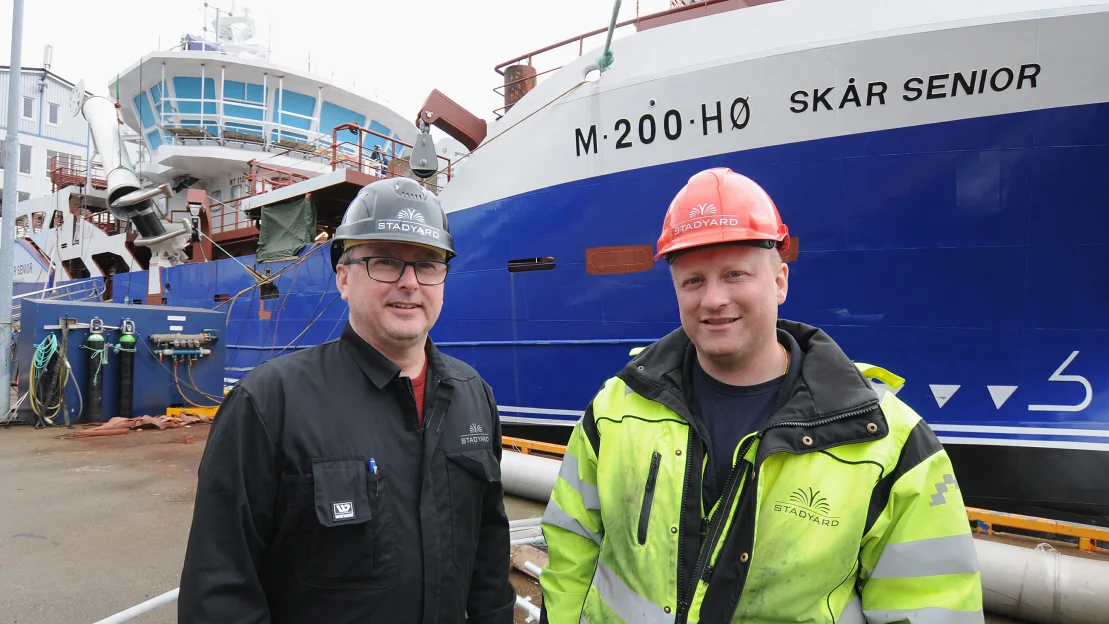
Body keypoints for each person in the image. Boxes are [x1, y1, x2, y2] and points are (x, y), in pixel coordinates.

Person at [539, 168, 982, 623]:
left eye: (735, 274)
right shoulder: (615, 410)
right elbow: (571, 552)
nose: (713, 299)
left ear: (780, 281)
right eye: (693, 281)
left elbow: (931, 606)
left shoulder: (889, 442)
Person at [178, 177, 516, 623]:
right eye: (386, 262)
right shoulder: (267, 405)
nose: (410, 283)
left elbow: (488, 560)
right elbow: (219, 590)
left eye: (428, 265)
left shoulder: (474, 396)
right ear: (343, 277)